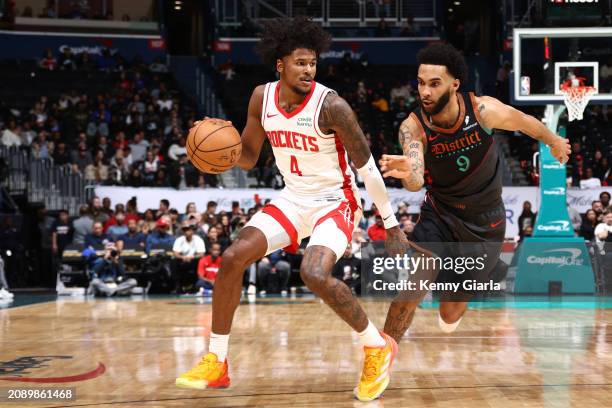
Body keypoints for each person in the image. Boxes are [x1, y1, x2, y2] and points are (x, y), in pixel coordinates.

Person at [175, 16, 407, 402]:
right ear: (280, 65)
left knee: (313, 273)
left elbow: (366, 168)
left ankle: (375, 345)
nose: (308, 70)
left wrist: (392, 224)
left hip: (335, 201)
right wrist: (221, 146)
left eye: (313, 63)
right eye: (300, 62)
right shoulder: (260, 97)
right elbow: (248, 157)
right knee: (232, 258)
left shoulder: (332, 106)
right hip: (293, 197)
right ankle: (217, 361)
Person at [380, 43, 570, 344]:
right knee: (412, 291)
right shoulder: (412, 128)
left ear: (454, 84)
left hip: (486, 223)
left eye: (434, 83)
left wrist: (554, 140)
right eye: (420, 83)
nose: (424, 92)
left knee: (449, 314)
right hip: (440, 215)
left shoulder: (483, 110)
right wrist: (408, 173)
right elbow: (415, 179)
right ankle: (381, 357)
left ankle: (455, 291)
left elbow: (524, 122)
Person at [171, 222, 206, 293]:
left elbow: (201, 254)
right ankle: (177, 286)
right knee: (173, 261)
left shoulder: (198, 239)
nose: (186, 232)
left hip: (194, 260)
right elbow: (175, 253)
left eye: (188, 230)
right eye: (184, 230)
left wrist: (192, 257)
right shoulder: (179, 239)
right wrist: (183, 257)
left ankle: (196, 285)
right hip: (182, 260)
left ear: (192, 230)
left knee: (200, 261)